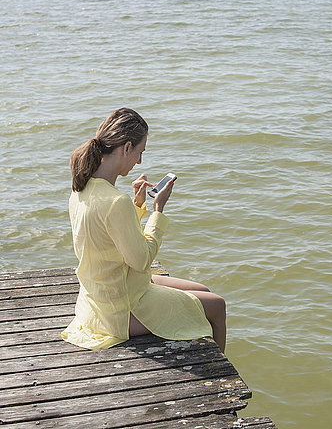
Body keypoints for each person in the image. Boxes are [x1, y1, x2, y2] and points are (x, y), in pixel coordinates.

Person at [61, 108, 226, 352]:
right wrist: (158, 211)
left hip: (98, 298)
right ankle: (219, 371)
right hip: (120, 309)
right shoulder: (117, 201)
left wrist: (138, 205)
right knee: (217, 305)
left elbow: (111, 237)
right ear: (126, 147)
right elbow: (141, 261)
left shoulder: (80, 189)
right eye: (140, 152)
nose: (139, 161)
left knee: (202, 292)